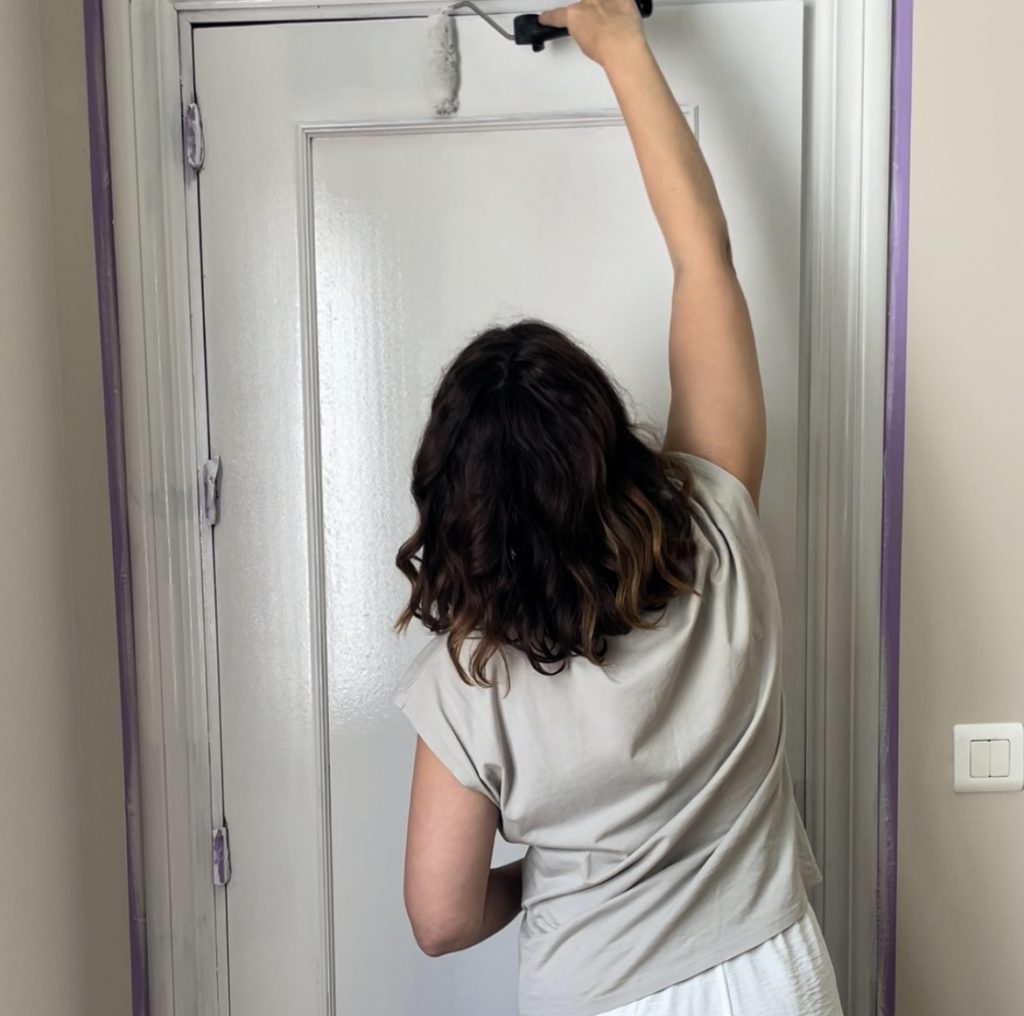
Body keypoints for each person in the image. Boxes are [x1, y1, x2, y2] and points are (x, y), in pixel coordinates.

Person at [392, 0, 844, 1012]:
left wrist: (556, 875)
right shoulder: (714, 525)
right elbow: (702, 259)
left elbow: (440, 917)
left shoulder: (471, 677)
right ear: (606, 440)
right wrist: (620, 43)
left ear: (457, 505)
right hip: (774, 974)